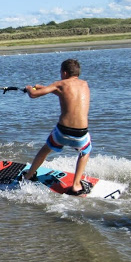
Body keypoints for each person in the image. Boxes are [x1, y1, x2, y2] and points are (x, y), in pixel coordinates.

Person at [20, 58, 93, 195]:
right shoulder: (85, 84)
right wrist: (45, 88)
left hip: (63, 131)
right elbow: (67, 93)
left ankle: (28, 176)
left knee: (45, 150)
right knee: (85, 151)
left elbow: (34, 95)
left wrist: (30, 88)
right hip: (81, 133)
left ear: (64, 73)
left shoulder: (60, 84)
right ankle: (76, 185)